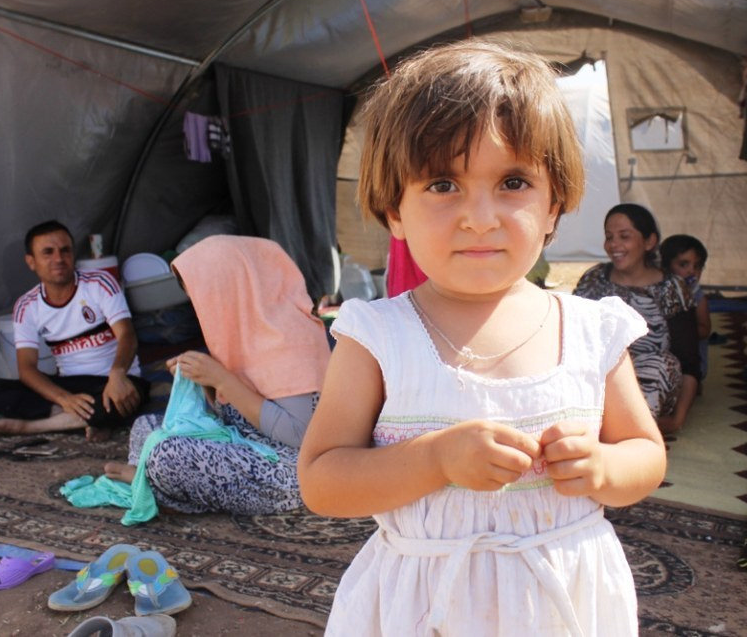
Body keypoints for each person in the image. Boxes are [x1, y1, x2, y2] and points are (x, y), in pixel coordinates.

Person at [297, 40, 666, 635]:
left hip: (560, 604)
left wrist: (601, 467)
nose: (480, 217)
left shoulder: (592, 331)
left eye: (513, 182)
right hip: (423, 609)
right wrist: (436, 459)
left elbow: (646, 456)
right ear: (394, 211)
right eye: (443, 185)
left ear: (556, 206)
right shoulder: (379, 337)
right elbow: (322, 480)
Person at [104, 235, 331, 516]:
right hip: (242, 443)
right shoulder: (240, 332)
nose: (201, 309)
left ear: (233, 289)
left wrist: (222, 379)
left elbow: (300, 435)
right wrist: (202, 381)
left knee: (167, 455)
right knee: (146, 427)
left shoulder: (292, 339)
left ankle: (150, 481)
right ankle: (151, 480)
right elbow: (228, 415)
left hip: (290, 470)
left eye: (205, 298)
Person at [0, 220, 149, 441]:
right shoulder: (27, 306)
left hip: (117, 378)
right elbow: (27, 369)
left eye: (65, 250)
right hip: (72, 385)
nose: (58, 259)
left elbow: (127, 335)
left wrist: (117, 375)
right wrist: (64, 399)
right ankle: (83, 417)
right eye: (48, 253)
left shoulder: (100, 283)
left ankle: (31, 427)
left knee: (123, 399)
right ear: (31, 262)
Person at [573, 204, 700, 433]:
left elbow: (690, 362)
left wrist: (677, 420)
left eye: (624, 236)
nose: (614, 245)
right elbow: (572, 337)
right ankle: (601, 427)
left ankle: (629, 432)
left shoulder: (671, 288)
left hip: (652, 377)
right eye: (609, 237)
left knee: (661, 363)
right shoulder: (594, 279)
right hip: (603, 376)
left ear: (649, 242)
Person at [661, 234, 711, 383]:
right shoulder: (659, 291)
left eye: (697, 266)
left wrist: (678, 331)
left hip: (689, 364)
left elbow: (704, 330)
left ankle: (692, 383)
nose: (691, 271)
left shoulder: (697, 295)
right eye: (683, 265)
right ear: (666, 267)